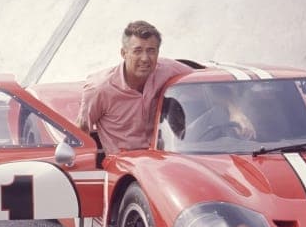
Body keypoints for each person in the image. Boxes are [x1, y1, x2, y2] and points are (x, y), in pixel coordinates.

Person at [76, 20, 254, 156]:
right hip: (124, 165)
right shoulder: (99, 88)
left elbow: (209, 82)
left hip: (165, 158)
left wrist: (235, 112)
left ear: (158, 53)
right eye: (137, 51)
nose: (145, 58)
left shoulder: (168, 69)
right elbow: (81, 129)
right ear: (124, 53)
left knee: (218, 116)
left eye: (151, 50)